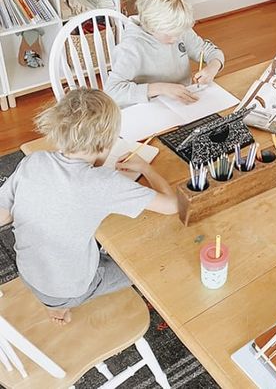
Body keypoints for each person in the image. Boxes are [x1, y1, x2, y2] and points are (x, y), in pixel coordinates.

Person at [0, 89, 178, 325]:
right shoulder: (105, 183)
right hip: (70, 290)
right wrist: (146, 168)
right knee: (149, 260)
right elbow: (173, 205)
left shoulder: (34, 161)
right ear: (106, 142)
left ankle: (55, 307)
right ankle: (62, 306)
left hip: (29, 274)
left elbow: (3, 215)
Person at [105, 0, 225, 107]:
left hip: (183, 103)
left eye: (179, 33)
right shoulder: (131, 48)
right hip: (149, 107)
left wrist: (213, 66)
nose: (176, 38)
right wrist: (161, 88)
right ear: (150, 26)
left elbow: (210, 51)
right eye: (169, 35)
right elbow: (112, 92)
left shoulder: (178, 28)